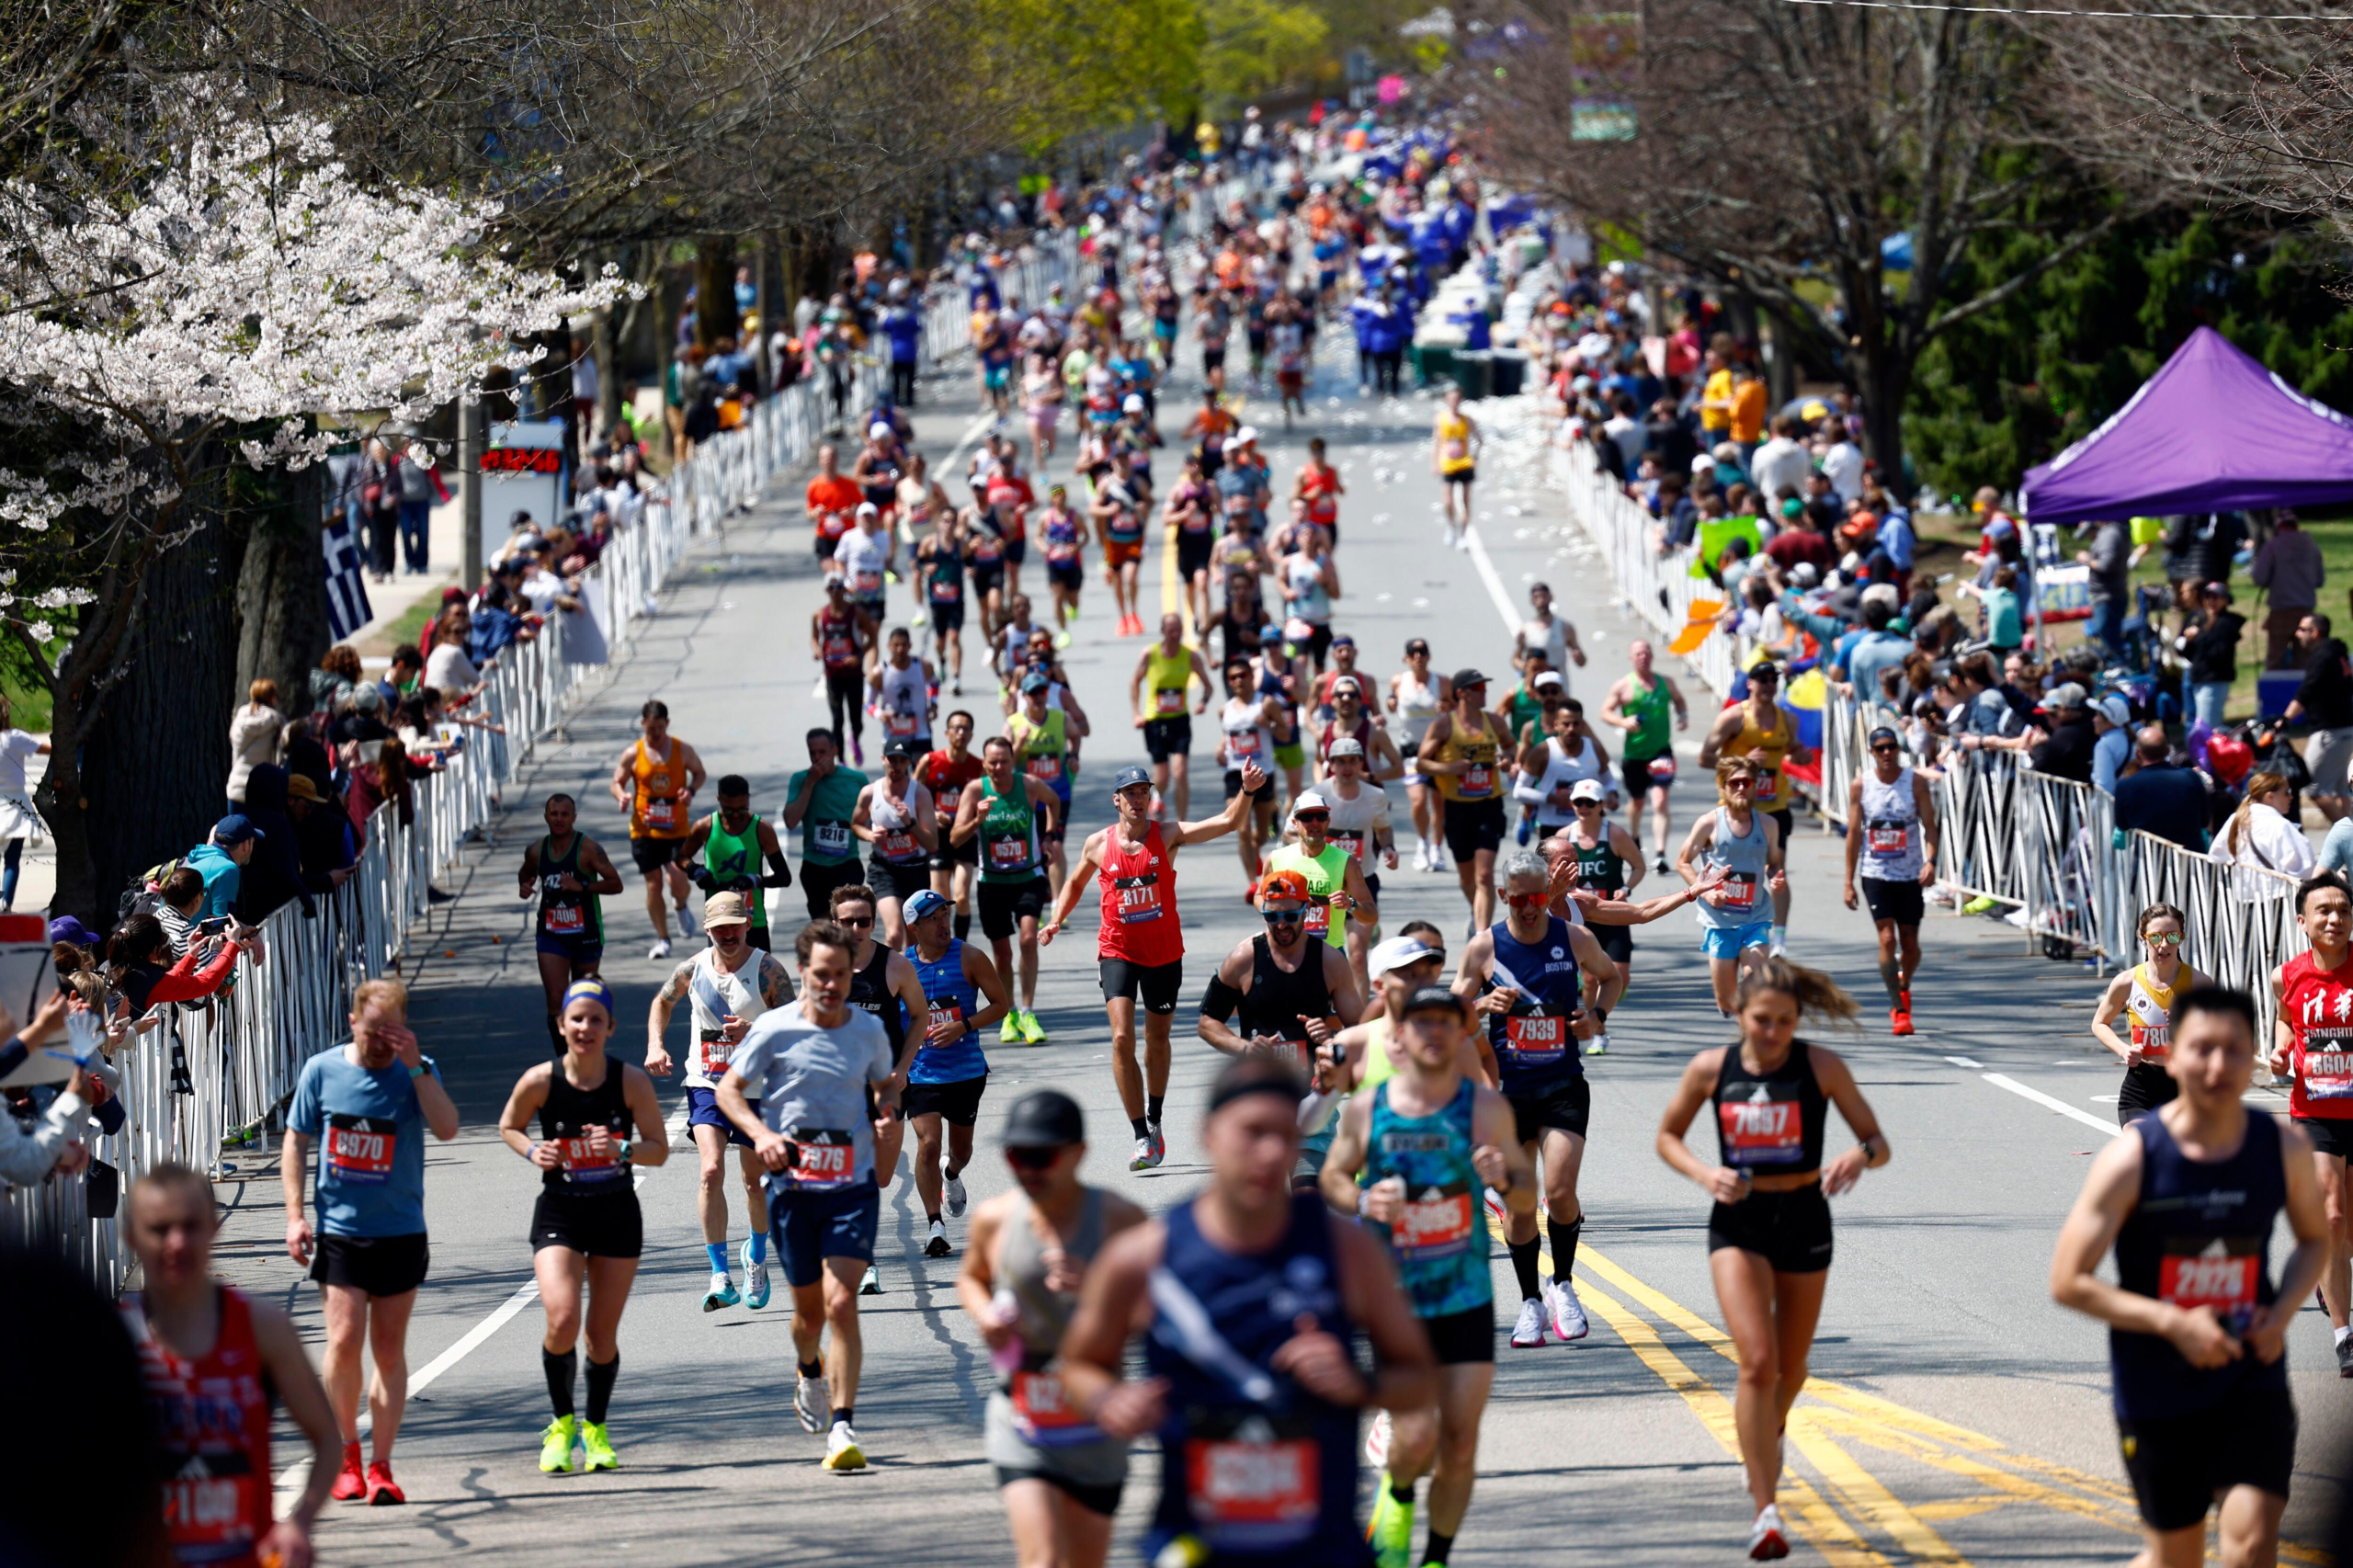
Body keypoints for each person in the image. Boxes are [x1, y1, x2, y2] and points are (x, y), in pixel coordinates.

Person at [1056, 1055, 1439, 1568]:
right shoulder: (1146, 1257)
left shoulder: (1345, 1251)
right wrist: (1109, 1401)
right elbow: (1077, 1366)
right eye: (1253, 1132)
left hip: (1321, 1548)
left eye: (1285, 1135)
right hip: (1198, 1545)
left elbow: (1420, 1377)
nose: (1271, 1151)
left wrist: (1359, 1386)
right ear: (1209, 1134)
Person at [2052, 984, 2328, 1568]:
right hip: (2158, 1384)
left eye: (2233, 1049)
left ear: (2253, 1053)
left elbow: (2314, 1239)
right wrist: (2171, 1322)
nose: (2218, 1064)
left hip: (2251, 1377)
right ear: (2172, 1056)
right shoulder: (2133, 1157)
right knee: (2176, 1559)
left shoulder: (2279, 1145)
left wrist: (2280, 1316)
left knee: (2252, 1547)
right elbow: (2069, 1279)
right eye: (2201, 1048)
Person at [1654, 959, 1890, 1562]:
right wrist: (1708, 1174)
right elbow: (1667, 1137)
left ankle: (1769, 1428)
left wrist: (1858, 1158)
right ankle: (1765, 1509)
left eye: (1785, 1023)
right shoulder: (1713, 1068)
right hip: (1740, 1221)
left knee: (1793, 1370)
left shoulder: (1821, 1067)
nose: (1773, 1033)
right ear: (1739, 1013)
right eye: (1762, 1021)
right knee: (1757, 1364)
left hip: (1806, 1217)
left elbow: (1877, 1141)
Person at [1322, 986, 1530, 1568]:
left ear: (1460, 1034)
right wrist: (1365, 1200)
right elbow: (1336, 1177)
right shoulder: (1369, 1108)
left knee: (1461, 1443)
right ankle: (1398, 1492)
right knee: (1415, 1439)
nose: (1435, 1033)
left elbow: (1526, 1196)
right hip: (1397, 1300)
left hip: (1465, 1295)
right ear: (1402, 1036)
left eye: (1448, 1023)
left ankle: (1435, 1559)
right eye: (1423, 1023)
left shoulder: (1485, 1109)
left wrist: (1507, 1178)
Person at [717, 920, 904, 1471]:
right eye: (822, 975)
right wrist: (763, 1135)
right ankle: (808, 1368)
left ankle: (842, 1427)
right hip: (794, 1188)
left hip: (851, 1186)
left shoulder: (867, 1032)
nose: (832, 985)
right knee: (808, 1318)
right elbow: (730, 1090)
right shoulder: (773, 1029)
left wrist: (887, 1111)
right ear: (802, 973)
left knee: (842, 1302)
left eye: (842, 976)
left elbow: (882, 1084)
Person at [281, 977, 458, 1506]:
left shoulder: (415, 1072)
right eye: (374, 1030)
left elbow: (447, 1127)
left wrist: (418, 1069)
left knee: (386, 1348)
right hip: (341, 1231)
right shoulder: (323, 1070)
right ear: (354, 1022)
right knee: (342, 1340)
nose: (383, 1041)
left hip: (400, 1230)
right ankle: (345, 1454)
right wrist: (295, 1216)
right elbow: (296, 1141)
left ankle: (381, 1465)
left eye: (394, 1030)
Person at [1043, 760, 1267, 1171]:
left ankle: (1156, 1118)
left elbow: (1228, 822)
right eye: (1130, 793)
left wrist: (1247, 791)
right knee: (1121, 1038)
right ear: (1117, 800)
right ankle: (1140, 1137)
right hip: (1118, 951)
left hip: (1164, 954)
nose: (1138, 799)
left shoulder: (1167, 834)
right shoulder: (1097, 844)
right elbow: (1074, 882)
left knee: (1156, 1042)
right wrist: (1056, 918)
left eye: (1143, 791)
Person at [957, 1090, 1147, 1568]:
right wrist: (985, 1316)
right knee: (1042, 1561)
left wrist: (1099, 1291)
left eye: (1041, 1156)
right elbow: (971, 1277)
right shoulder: (994, 1218)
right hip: (1021, 1414)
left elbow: (1163, 1312)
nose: (1028, 1169)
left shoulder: (1121, 1221)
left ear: (1077, 1153)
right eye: (1018, 1155)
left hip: (1095, 1420)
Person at [122, 1162, 341, 1568]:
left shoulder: (263, 1329)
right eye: (159, 1229)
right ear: (130, 1237)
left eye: (191, 1226)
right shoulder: (108, 1339)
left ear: (214, 1229)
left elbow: (328, 1439)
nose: (177, 1243)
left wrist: (299, 1523)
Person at [1454, 848, 1625, 1347]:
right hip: (1506, 1093)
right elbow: (1450, 1010)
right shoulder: (1484, 948)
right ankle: (1531, 1301)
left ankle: (1564, 1285)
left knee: (1563, 1191)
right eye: (1519, 899)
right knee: (1522, 1207)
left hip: (1562, 1085)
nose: (1530, 908)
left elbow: (1610, 977)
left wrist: (1597, 1018)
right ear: (1505, 896)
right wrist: (1483, 1002)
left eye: (1537, 897)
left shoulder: (1572, 936)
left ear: (1546, 891)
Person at [498, 979, 670, 1473]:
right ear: (561, 1025)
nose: (586, 1027)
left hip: (616, 1213)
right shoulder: (540, 1080)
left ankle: (595, 1430)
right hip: (562, 1212)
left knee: (600, 1336)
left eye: (596, 1019)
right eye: (577, 1018)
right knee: (562, 1318)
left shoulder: (629, 1082)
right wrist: (534, 1150)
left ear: (611, 1027)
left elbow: (659, 1150)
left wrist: (620, 1150)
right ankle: (560, 1424)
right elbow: (509, 1124)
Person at [646, 891, 795, 1310]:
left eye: (735, 926)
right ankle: (719, 1275)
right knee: (710, 1170)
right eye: (718, 929)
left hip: (757, 1089)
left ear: (747, 924)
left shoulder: (768, 970)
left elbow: (798, 1027)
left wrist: (755, 1032)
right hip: (707, 1083)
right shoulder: (692, 969)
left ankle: (758, 1257)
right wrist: (655, 1045)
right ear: (708, 930)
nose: (728, 935)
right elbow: (663, 1001)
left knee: (754, 1182)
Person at [1199, 868, 1368, 1186]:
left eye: (1290, 916)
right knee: (1260, 1209)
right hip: (1257, 1098)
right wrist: (1245, 1048)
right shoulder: (1243, 958)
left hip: (1311, 1101)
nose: (1281, 925)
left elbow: (1361, 1029)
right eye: (1271, 917)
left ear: (1307, 910)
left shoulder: (1330, 961)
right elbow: (1208, 1023)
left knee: (1308, 1202)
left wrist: (1332, 1036)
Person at [2268, 870, 2353, 1377]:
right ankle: (2345, 1336)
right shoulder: (2288, 975)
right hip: (2315, 1109)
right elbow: (2284, 1017)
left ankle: (2330, 1277)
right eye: (2323, 911)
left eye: (2343, 910)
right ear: (2303, 921)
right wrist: (2281, 1051)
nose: (2334, 919)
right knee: (2331, 1218)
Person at [897, 887, 1013, 1259]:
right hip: (921, 1072)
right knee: (928, 1144)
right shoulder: (901, 968)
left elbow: (1001, 1005)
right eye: (933, 919)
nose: (943, 923)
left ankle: (951, 1174)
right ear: (914, 927)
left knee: (959, 1151)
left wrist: (963, 1025)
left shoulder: (970, 957)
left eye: (945, 915)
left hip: (965, 1070)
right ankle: (935, 1225)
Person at [835, 882, 927, 1295]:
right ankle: (863, 1260)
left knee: (882, 1177)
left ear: (873, 922)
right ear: (833, 922)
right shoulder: (825, 968)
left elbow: (921, 1017)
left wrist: (904, 1067)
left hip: (887, 1087)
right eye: (847, 921)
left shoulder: (895, 966)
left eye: (863, 921)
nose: (855, 928)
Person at [951, 735, 1063, 1046]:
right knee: (1002, 953)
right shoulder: (975, 791)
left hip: (1028, 877)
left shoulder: (1028, 784)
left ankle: (1028, 1010)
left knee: (1029, 939)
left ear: (1013, 762)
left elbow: (1054, 800)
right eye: (992, 762)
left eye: (1004, 761)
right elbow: (955, 839)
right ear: (984, 763)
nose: (998, 767)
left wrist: (1050, 836)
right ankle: (1010, 1013)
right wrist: (977, 819)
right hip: (993, 883)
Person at [1698, 662, 1808, 956]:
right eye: (1762, 679)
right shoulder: (1734, 718)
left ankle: (1779, 939)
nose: (1769, 684)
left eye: (1774, 679)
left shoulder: (1787, 720)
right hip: (1737, 808)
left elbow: (1796, 751)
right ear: (1750, 684)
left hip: (1775, 808)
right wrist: (1742, 762)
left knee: (1777, 871)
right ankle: (1730, 925)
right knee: (1736, 873)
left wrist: (1800, 754)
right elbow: (1705, 757)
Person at [1838, 726, 1938, 1036]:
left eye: (1891, 747)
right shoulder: (1861, 786)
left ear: (1898, 749)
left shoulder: (1915, 782)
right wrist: (1848, 880)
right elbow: (1854, 833)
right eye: (1879, 748)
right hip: (1875, 871)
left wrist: (1931, 861)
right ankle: (1899, 1008)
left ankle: (1903, 983)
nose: (1886, 753)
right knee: (1886, 938)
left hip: (1909, 873)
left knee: (1910, 942)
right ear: (1871, 752)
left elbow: (1930, 826)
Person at [1678, 757, 1789, 1016]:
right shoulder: (1709, 824)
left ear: (1755, 786)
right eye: (1734, 783)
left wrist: (1775, 878)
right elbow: (1683, 862)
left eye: (1746, 782)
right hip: (1719, 922)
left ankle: (1750, 1046)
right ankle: (1732, 1010)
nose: (1741, 788)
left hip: (1756, 917)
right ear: (1723, 787)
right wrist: (1706, 893)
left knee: (1756, 986)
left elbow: (1773, 864)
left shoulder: (1769, 825)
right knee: (1728, 1001)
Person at [519, 793, 626, 1053]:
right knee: (555, 999)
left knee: (584, 996)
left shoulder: (588, 848)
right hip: (551, 933)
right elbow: (526, 872)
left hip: (586, 932)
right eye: (554, 814)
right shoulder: (536, 850)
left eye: (564, 814)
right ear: (546, 817)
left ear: (573, 818)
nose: (559, 819)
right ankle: (564, 1059)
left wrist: (583, 886)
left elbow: (616, 884)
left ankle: (588, 1052)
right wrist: (525, 884)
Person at [1417, 668, 1515, 933]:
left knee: (1484, 874)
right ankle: (1477, 910)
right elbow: (1422, 763)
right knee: (1466, 877)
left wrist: (1508, 761)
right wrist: (1449, 769)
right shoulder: (1444, 725)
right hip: (1457, 808)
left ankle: (1483, 933)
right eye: (1479, 688)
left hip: (1489, 805)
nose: (1485, 692)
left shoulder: (1494, 721)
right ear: (1462, 693)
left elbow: (1510, 747)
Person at [609, 699, 705, 960]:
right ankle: (663, 939)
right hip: (644, 830)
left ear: (667, 724)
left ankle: (681, 905)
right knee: (654, 884)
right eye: (651, 728)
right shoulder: (633, 753)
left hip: (676, 828)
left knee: (678, 880)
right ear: (643, 725)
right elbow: (616, 781)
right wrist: (622, 796)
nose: (656, 734)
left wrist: (691, 791)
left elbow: (699, 773)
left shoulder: (681, 750)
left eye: (660, 728)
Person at [2090, 903, 2199, 1127]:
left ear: (2182, 938)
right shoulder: (2127, 982)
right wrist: (2124, 1050)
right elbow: (2100, 1023)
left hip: (2185, 1087)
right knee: (2140, 1149)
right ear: (2143, 938)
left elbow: (2220, 1035)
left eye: (2173, 937)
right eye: (2156, 937)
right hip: (2141, 1087)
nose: (2164, 945)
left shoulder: (2199, 984)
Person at [1266, 788, 1381, 993]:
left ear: (1328, 821)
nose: (1314, 822)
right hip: (1284, 952)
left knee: (1335, 1021)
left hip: (1328, 954)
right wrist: (1272, 909)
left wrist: (1351, 904)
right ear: (1295, 823)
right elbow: (1260, 897)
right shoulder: (1277, 858)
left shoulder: (1346, 862)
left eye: (1320, 816)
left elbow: (1371, 915)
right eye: (1306, 817)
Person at [681, 774, 793, 952]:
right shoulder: (705, 827)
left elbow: (784, 877)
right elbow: (681, 857)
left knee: (760, 978)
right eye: (729, 810)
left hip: (752, 921)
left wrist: (754, 880)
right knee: (722, 978)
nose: (735, 816)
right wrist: (695, 870)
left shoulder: (761, 829)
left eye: (741, 809)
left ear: (748, 800)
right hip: (718, 921)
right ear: (719, 800)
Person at [852, 738, 940, 948]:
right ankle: (889, 980)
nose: (897, 765)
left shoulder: (919, 795)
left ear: (909, 762)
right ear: (883, 759)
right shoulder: (870, 793)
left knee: (914, 939)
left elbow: (932, 844)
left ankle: (910, 978)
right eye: (892, 760)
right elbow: (855, 824)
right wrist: (870, 836)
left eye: (902, 760)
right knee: (893, 934)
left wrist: (910, 823)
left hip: (915, 869)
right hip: (884, 869)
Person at [1007, 669, 1087, 897]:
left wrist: (1073, 756)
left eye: (1041, 691)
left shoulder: (1060, 718)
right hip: (1028, 798)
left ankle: (1056, 901)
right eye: (1032, 693)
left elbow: (1076, 735)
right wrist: (1020, 742)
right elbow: (1006, 763)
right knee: (1032, 848)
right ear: (1024, 695)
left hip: (1058, 794)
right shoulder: (1014, 723)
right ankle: (1036, 894)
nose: (1038, 697)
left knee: (1056, 845)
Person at [1132, 613, 1214, 823]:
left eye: (1178, 630)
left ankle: (1182, 822)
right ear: (1163, 632)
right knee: (1162, 776)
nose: (1175, 634)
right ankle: (1156, 798)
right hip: (1155, 720)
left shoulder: (1190, 656)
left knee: (1180, 773)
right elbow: (1135, 683)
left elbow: (1208, 686)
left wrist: (1202, 703)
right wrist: (1136, 714)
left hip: (1179, 720)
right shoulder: (1150, 654)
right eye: (1171, 630)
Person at [787, 727, 872, 920]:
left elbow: (871, 820)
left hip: (847, 863)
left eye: (822, 752)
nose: (817, 758)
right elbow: (791, 821)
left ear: (834, 751)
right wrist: (810, 783)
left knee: (848, 923)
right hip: (814, 866)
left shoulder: (856, 780)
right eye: (812, 753)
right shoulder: (800, 780)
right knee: (824, 929)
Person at [921, 710, 987, 937]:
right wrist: (932, 813)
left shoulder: (978, 766)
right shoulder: (931, 761)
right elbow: (913, 795)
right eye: (956, 728)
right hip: (938, 838)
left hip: (965, 836)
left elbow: (988, 797)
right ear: (947, 732)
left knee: (961, 897)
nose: (960, 733)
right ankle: (942, 945)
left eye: (965, 729)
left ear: (971, 735)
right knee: (940, 903)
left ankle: (960, 946)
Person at [1391, 640, 1451, 872]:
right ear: (1406, 658)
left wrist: (1447, 707)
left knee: (1438, 803)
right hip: (1412, 751)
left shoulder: (1442, 682)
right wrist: (1390, 703)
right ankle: (1422, 844)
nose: (1418, 656)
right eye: (1412, 653)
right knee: (1417, 801)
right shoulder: (1399, 681)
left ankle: (1437, 848)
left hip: (1437, 750)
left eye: (1422, 652)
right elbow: (1391, 702)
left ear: (1428, 656)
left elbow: (1454, 708)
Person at [2289, 612, 2353, 826]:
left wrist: (2285, 719)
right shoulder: (2339, 653)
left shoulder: (2322, 657)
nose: (2297, 634)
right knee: (2342, 789)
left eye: (2302, 629)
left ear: (2315, 632)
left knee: (2314, 788)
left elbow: (2306, 691)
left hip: (2329, 732)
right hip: (2345, 729)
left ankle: (2347, 836)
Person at [2112, 726, 2211, 851]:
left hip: (2149, 865)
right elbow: (2204, 821)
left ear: (2138, 754)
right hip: (2190, 863)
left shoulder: (2124, 786)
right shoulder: (2190, 777)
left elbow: (2121, 831)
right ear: (2168, 751)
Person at [813, 579, 876, 762]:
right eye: (832, 588)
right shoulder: (819, 615)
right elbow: (813, 638)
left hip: (854, 674)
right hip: (833, 675)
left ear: (845, 589)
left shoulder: (857, 613)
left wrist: (859, 656)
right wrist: (817, 650)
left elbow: (872, 638)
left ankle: (854, 738)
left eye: (839, 587)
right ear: (826, 590)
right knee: (837, 719)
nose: (836, 591)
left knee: (856, 719)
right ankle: (840, 758)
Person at [1515, 583, 1586, 695]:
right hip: (1534, 690)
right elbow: (1516, 658)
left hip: (1558, 689)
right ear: (1532, 601)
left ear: (1551, 597)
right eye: (1537, 597)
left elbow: (1581, 660)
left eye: (1544, 596)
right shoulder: (1526, 630)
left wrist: (1578, 656)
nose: (1541, 601)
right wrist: (1526, 667)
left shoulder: (1565, 627)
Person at [1431, 384, 1479, 549]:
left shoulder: (1467, 420)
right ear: (1446, 400)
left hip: (1465, 462)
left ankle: (1463, 535)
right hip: (1448, 464)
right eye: (1451, 399)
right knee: (1448, 502)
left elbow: (1479, 440)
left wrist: (1475, 457)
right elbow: (1436, 443)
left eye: (1457, 399)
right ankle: (1451, 526)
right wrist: (1435, 463)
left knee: (1465, 501)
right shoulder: (1441, 419)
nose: (1454, 402)